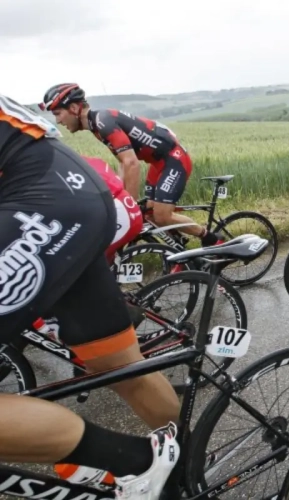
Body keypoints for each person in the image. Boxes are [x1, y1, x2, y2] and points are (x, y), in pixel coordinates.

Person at [0, 93, 179, 498]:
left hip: (51, 199)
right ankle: (179, 461)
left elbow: (132, 162)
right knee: (115, 364)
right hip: (62, 192)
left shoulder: (102, 118)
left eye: (62, 110)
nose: (60, 116)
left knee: (117, 363)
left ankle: (141, 463)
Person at [40, 84, 221, 247]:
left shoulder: (102, 121)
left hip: (174, 159)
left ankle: (213, 240)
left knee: (162, 215)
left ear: (73, 108)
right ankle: (178, 249)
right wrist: (119, 192)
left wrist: (130, 205)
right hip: (158, 162)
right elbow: (122, 162)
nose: (58, 121)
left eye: (58, 114)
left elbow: (132, 163)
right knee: (149, 214)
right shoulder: (97, 124)